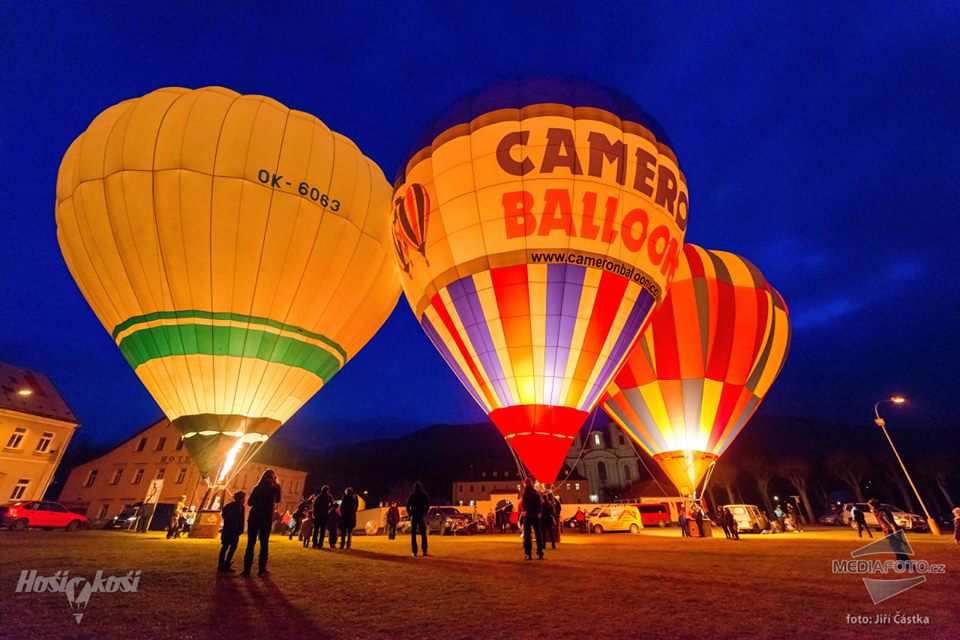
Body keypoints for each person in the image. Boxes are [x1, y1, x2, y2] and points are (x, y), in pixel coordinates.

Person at [242, 469, 281, 577]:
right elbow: (278, 500)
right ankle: (262, 569)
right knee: (264, 544)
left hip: (255, 516)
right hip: (266, 517)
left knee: (251, 543)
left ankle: (247, 569)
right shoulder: (276, 488)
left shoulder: (258, 488)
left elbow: (250, 502)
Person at [218, 491, 245, 573]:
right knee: (233, 547)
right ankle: (226, 564)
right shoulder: (240, 507)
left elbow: (223, 514)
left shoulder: (229, 505)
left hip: (227, 529)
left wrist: (227, 521)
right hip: (234, 530)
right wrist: (240, 529)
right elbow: (241, 520)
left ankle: (221, 564)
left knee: (224, 547)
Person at [520, 479, 543, 560]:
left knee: (527, 534)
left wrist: (524, 511)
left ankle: (528, 553)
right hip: (535, 515)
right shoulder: (536, 493)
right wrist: (539, 512)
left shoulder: (525, 494)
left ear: (525, 484)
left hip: (528, 515)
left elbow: (523, 505)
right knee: (538, 534)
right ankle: (540, 553)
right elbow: (540, 504)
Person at [406, 481, 430, 557]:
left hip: (414, 515)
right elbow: (427, 505)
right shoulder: (424, 495)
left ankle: (414, 551)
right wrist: (424, 512)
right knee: (423, 533)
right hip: (420, 515)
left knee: (413, 534)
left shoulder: (412, 495)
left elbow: (407, 506)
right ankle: (424, 550)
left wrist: (410, 513)